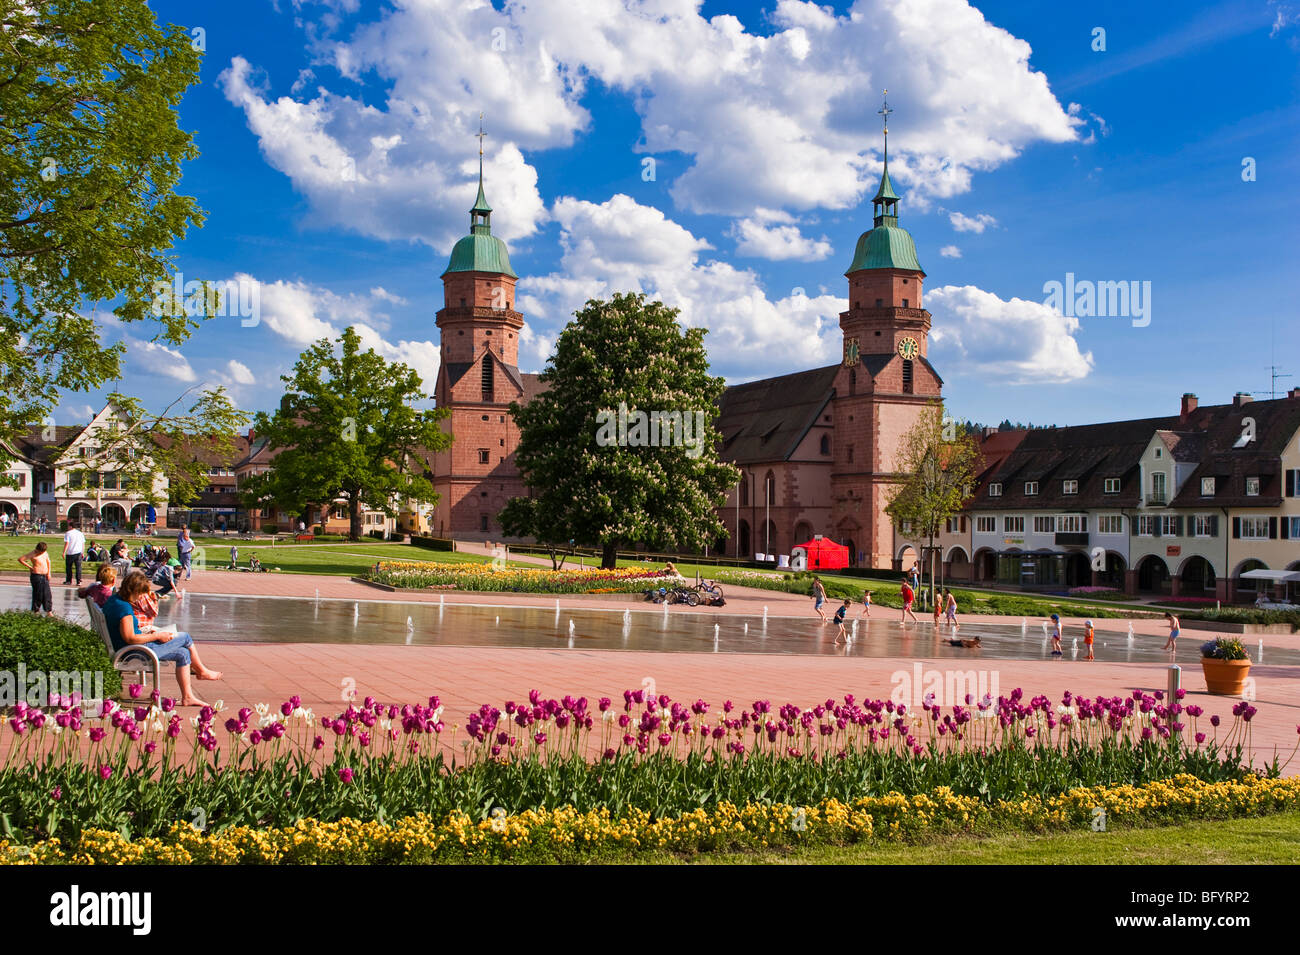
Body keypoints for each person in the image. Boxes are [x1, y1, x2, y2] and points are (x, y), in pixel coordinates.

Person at [102, 572, 221, 706]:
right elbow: (130, 638)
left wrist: (149, 630)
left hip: (131, 648)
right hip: (136, 652)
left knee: (183, 653)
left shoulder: (115, 600)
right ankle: (202, 671)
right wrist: (158, 635)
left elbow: (129, 634)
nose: (141, 597)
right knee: (185, 637)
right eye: (140, 594)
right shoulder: (124, 608)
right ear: (133, 591)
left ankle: (188, 697)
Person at [18, 541, 54, 616]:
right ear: (37, 549)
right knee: (38, 594)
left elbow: (48, 562)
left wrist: (49, 572)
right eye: (40, 552)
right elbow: (21, 559)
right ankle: (36, 611)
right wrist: (30, 567)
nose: (41, 553)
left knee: (47, 594)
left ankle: (49, 611)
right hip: (37, 575)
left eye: (42, 552)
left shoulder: (45, 553)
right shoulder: (32, 553)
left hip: (45, 575)